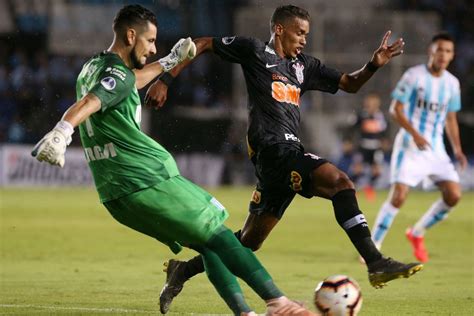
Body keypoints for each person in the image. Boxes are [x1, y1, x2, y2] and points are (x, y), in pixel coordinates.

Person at [31, 5, 319, 316]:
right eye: (150, 41)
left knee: (206, 243)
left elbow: (128, 81)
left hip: (115, 194)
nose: (154, 47)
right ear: (131, 35)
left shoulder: (93, 67)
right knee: (218, 234)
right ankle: (279, 304)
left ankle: (244, 313)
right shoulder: (116, 74)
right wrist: (61, 131)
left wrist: (170, 62)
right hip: (148, 179)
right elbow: (92, 101)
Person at [145, 4, 423, 314]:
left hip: (278, 161)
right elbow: (205, 42)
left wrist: (373, 64)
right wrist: (166, 79)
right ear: (280, 29)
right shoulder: (254, 51)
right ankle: (374, 261)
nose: (304, 39)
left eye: (307, 34)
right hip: (275, 150)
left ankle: (182, 270)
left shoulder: (305, 66)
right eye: (300, 33)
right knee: (340, 182)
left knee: (249, 241)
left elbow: (349, 83)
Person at [370, 32, 467, 263]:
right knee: (399, 196)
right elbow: (395, 110)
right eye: (440, 49)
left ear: (452, 55)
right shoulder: (414, 76)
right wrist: (415, 134)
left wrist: (458, 149)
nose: (443, 54)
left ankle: (417, 233)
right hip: (410, 145)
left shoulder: (452, 83)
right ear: (431, 51)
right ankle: (373, 245)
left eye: (448, 51)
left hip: (436, 149)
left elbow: (451, 118)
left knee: (453, 195)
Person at [350, 93, 389, 201]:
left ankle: (369, 189)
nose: (372, 105)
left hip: (376, 147)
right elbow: (352, 128)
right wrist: (349, 141)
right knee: (357, 170)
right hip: (362, 146)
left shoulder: (380, 116)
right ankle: (352, 190)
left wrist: (385, 141)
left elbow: (385, 131)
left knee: (377, 171)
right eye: (370, 102)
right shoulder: (361, 115)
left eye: (374, 103)